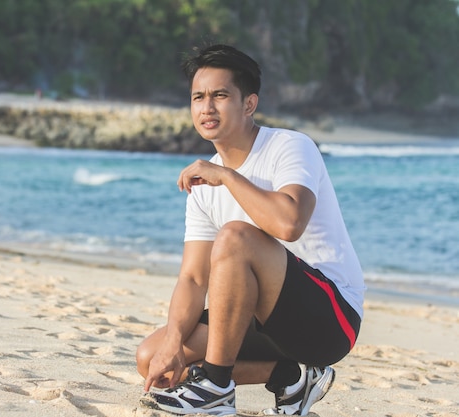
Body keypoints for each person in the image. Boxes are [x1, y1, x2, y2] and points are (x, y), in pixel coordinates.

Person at [135, 44, 365, 416]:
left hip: (330, 318)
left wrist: (227, 176)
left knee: (235, 236)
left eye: (220, 95)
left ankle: (216, 387)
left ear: (248, 104)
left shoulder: (290, 146)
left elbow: (289, 224)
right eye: (198, 97)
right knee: (152, 358)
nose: (207, 107)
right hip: (261, 323)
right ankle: (290, 377)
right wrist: (174, 341)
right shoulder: (203, 182)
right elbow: (193, 278)